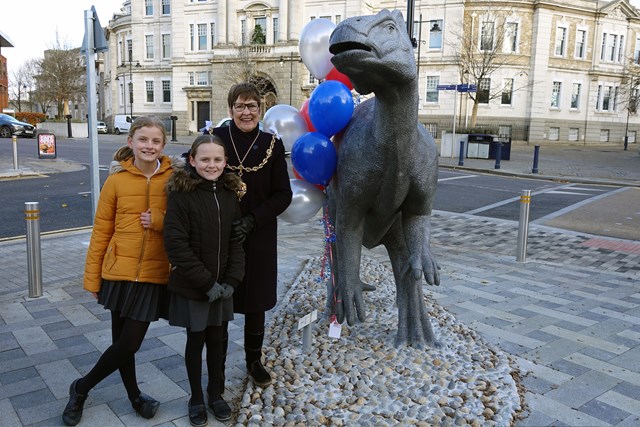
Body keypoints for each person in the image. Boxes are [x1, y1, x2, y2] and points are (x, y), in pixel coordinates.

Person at [62, 116, 174, 426]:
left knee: (129, 343)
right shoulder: (116, 181)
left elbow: (182, 221)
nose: (149, 145)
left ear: (163, 146)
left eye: (155, 141)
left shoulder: (175, 179)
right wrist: (92, 276)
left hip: (153, 274)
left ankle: (81, 387)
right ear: (131, 143)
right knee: (121, 343)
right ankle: (135, 396)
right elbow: (101, 231)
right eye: (143, 140)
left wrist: (161, 220)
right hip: (118, 271)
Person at [209, 82, 292, 390]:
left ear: (261, 109)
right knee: (220, 303)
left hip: (258, 235)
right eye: (240, 106)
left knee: (255, 303)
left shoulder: (272, 143)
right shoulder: (214, 141)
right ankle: (215, 368)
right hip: (220, 235)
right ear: (230, 109)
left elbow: (283, 194)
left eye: (252, 106)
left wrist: (253, 220)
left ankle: (254, 360)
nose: (246, 112)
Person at [163, 135, 245, 425]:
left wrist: (232, 281)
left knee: (218, 340)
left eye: (218, 160)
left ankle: (216, 394)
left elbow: (236, 241)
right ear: (193, 160)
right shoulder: (181, 194)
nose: (212, 165)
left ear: (225, 162)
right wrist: (206, 283)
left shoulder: (227, 193)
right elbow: (176, 244)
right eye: (205, 159)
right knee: (196, 341)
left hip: (222, 286)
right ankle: (196, 397)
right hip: (195, 286)